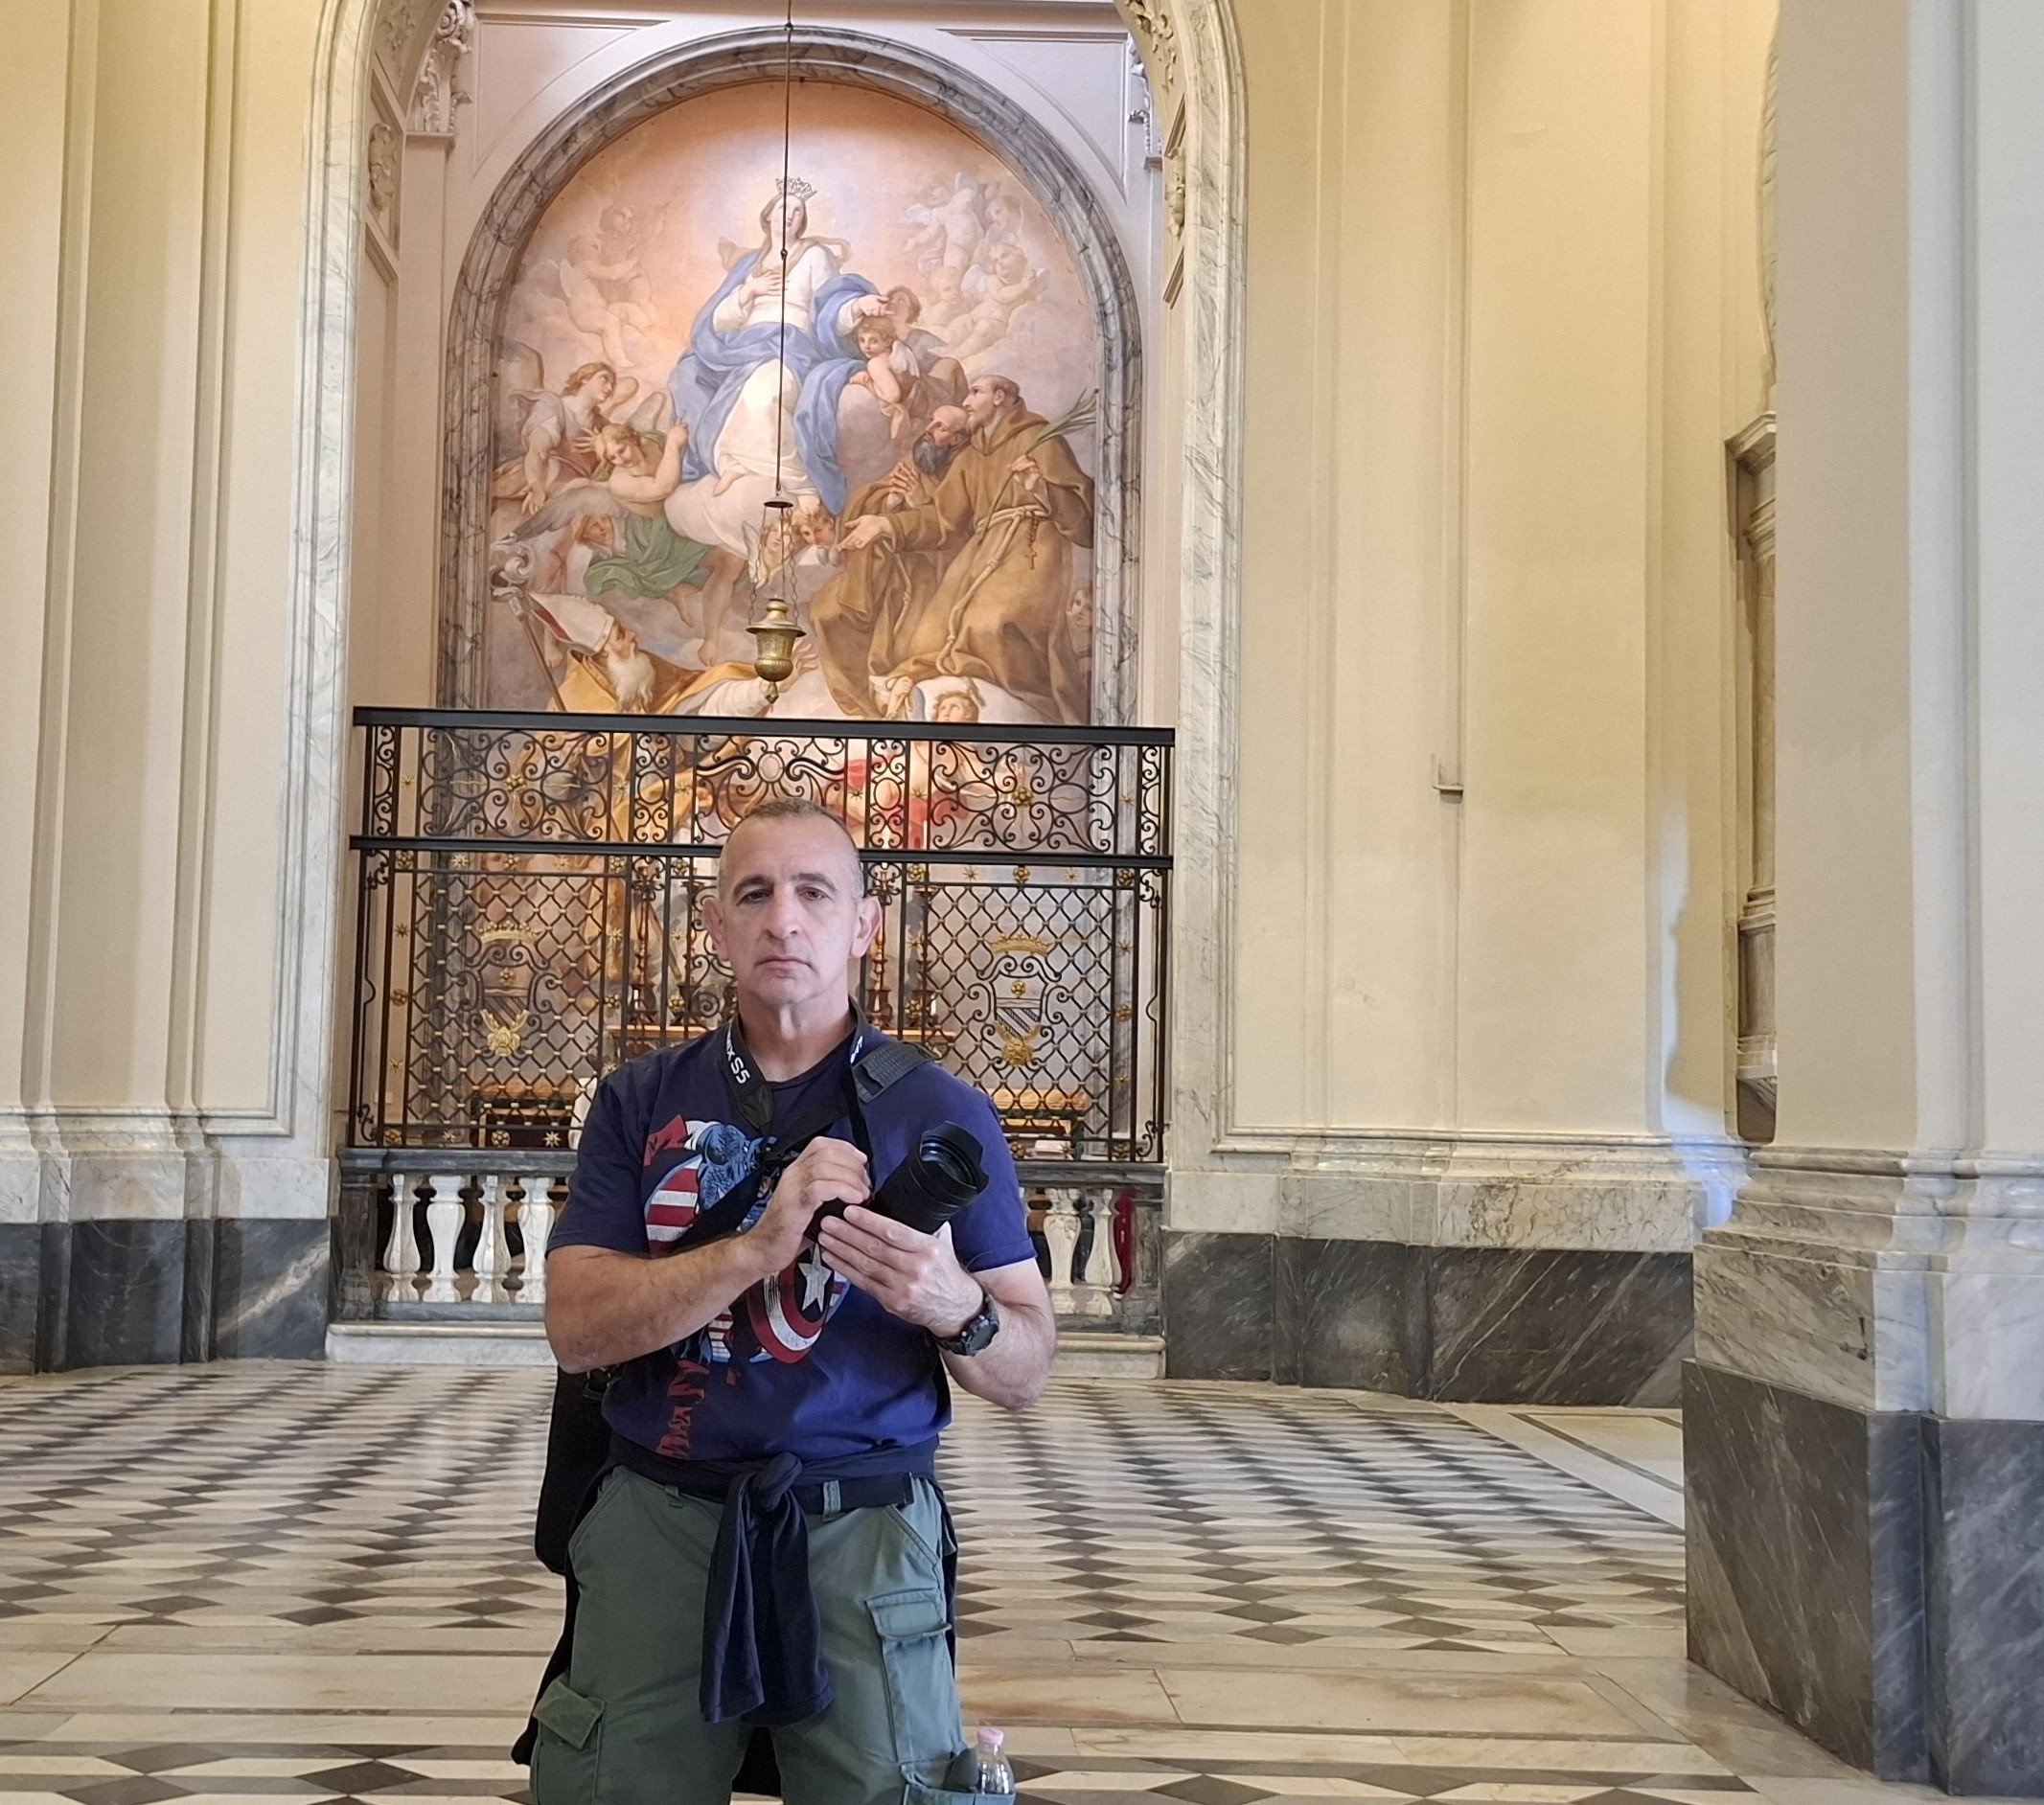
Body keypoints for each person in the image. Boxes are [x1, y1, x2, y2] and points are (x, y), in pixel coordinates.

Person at [532, 799, 1057, 1805]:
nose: (785, 919)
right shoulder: (641, 1100)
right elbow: (576, 1325)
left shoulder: (939, 1113)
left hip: (864, 1523)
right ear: (715, 925)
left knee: (889, 1788)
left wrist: (956, 1307)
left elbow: (1028, 1367)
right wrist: (758, 1248)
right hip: (662, 1514)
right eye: (755, 894)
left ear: (864, 924)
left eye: (816, 893)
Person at [841, 376, 1094, 725]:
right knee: (927, 637)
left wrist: (1040, 486)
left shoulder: (1040, 439)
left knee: (987, 625)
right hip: (981, 552)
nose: (967, 401)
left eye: (976, 392)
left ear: (1001, 397)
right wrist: (886, 525)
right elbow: (943, 519)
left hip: (1033, 548)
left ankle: (1029, 716)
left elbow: (1084, 522)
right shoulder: (972, 457)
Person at [808, 405, 971, 716]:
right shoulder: (919, 457)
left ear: (957, 439)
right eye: (931, 421)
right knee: (823, 611)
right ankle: (857, 708)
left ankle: (886, 706)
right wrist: (891, 501)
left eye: (941, 427)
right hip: (887, 558)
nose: (930, 429)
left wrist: (916, 502)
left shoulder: (964, 467)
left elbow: (954, 526)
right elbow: (876, 493)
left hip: (931, 566)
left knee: (892, 638)